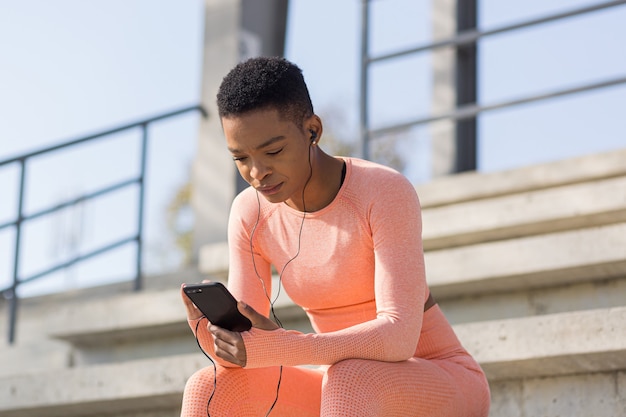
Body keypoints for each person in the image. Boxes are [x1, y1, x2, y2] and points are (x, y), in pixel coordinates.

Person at [180, 56, 490, 416]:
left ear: (312, 130)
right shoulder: (250, 212)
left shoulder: (382, 191)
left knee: (349, 376)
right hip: (345, 393)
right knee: (208, 387)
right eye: (240, 158)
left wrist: (285, 347)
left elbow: (398, 336)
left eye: (273, 151)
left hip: (441, 381)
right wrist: (215, 334)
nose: (257, 172)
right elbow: (252, 351)